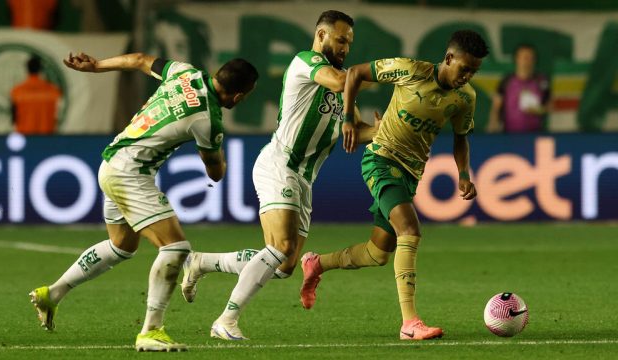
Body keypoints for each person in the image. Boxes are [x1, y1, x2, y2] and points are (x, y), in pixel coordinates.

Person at [29, 52, 258, 351]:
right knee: (176, 248)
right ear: (239, 95)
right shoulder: (208, 120)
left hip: (112, 163)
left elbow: (138, 59)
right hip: (130, 174)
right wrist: (217, 150)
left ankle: (53, 293)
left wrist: (97, 66)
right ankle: (151, 331)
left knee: (121, 247)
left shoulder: (184, 72)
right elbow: (215, 173)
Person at [179, 10, 376, 341]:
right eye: (341, 40)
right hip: (280, 164)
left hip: (304, 180)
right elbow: (344, 81)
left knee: (283, 265)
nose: (345, 48)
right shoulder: (305, 62)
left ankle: (200, 262)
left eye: (349, 43)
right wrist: (394, 73)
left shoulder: (344, 86)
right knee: (282, 247)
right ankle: (226, 321)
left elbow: (355, 131)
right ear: (322, 36)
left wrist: (384, 129)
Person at [299, 29, 489, 340]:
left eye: (474, 71)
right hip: (381, 160)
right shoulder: (410, 69)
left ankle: (316, 264)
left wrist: (464, 174)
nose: (467, 76)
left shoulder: (465, 98)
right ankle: (409, 323)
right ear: (449, 58)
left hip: (411, 173)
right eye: (464, 68)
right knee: (410, 230)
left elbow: (461, 137)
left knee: (378, 253)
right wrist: (348, 117)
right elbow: (357, 73)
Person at [487, 44, 551, 133]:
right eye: (524, 57)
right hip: (510, 136)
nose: (527, 61)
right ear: (517, 59)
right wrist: (492, 128)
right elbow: (496, 107)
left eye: (531, 58)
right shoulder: (507, 81)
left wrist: (538, 110)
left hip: (536, 134)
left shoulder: (542, 81)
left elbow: (550, 105)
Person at [11, 55, 62, 135]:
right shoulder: (53, 90)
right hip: (47, 135)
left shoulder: (17, 90)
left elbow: (14, 118)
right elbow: (58, 113)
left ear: (27, 69)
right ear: (40, 69)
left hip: (24, 135)